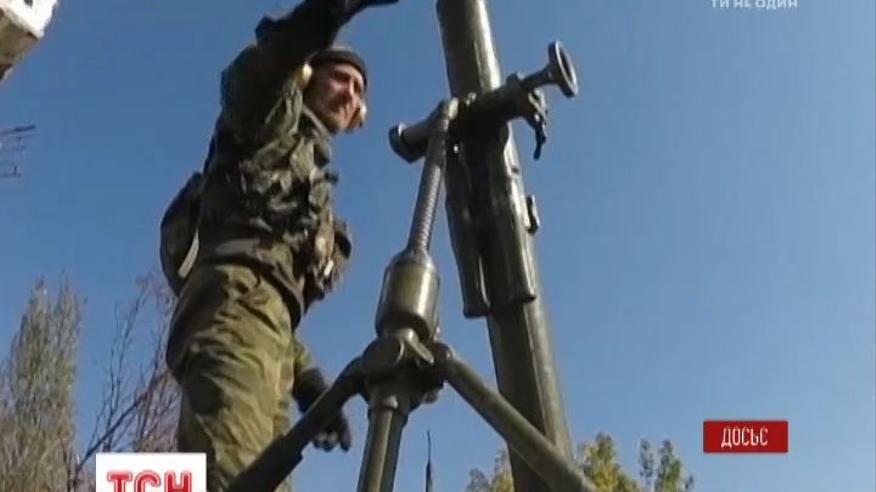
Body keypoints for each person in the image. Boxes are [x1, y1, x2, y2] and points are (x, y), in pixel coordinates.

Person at [160, 0, 398, 490]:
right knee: (232, 478)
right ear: (308, 77)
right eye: (340, 79)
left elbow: (274, 301)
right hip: (231, 317)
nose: (350, 93)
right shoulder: (272, 123)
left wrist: (308, 382)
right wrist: (324, 16)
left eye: (358, 90)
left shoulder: (318, 184)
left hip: (270, 344)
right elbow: (261, 74)